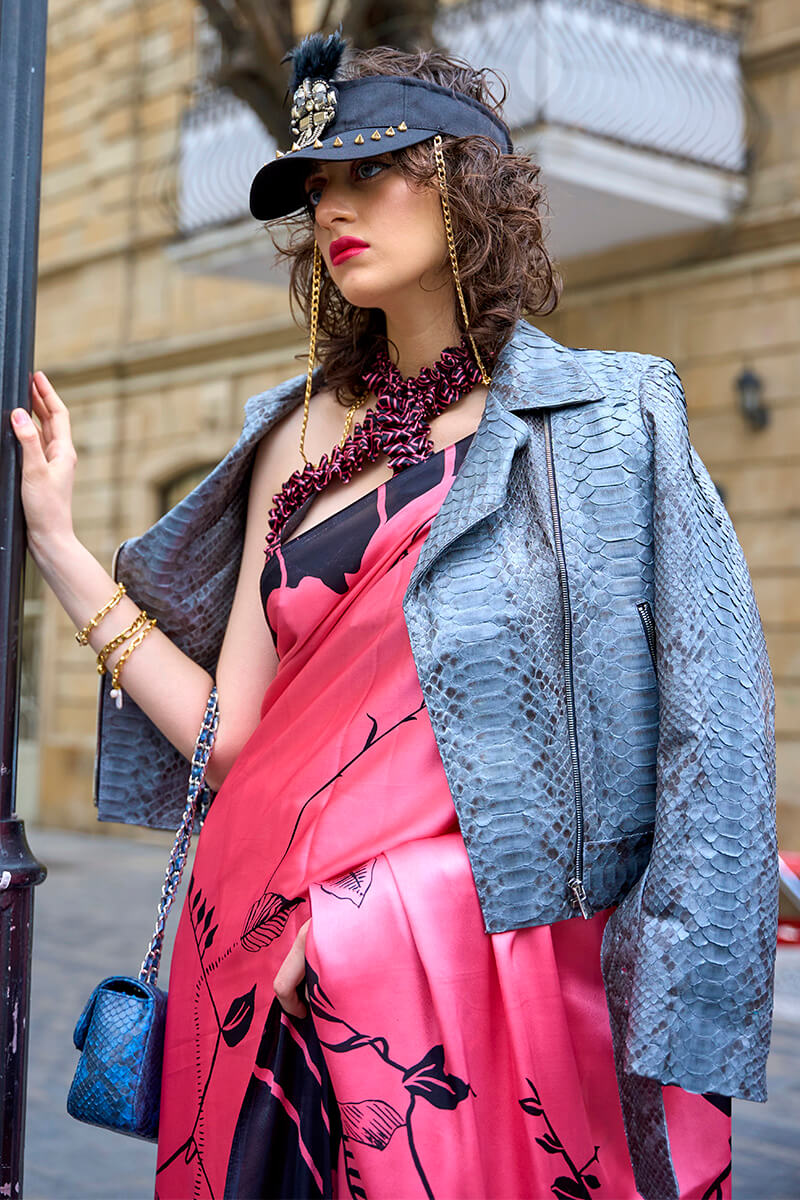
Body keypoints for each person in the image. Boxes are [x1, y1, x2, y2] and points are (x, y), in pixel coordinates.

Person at [13, 32, 776, 1200]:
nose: (334, 207)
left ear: (466, 185)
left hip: (449, 981)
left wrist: (386, 909)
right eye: (319, 185)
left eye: (373, 171)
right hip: (253, 946)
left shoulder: (608, 426)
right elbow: (238, 742)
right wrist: (62, 550)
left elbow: (704, 736)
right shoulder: (297, 437)